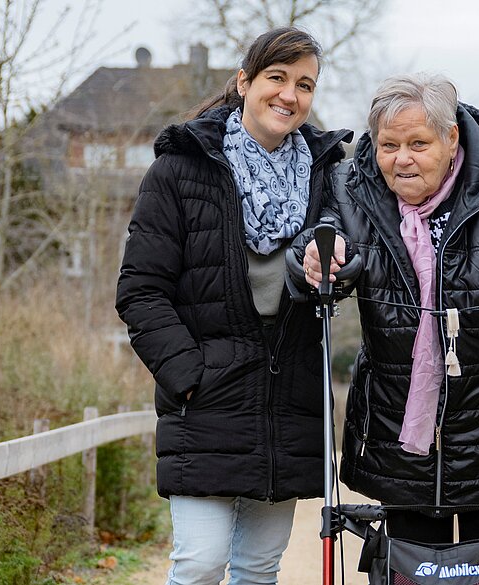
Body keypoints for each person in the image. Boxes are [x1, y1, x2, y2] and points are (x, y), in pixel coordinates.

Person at [296, 73, 479, 556]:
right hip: (398, 425)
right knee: (410, 567)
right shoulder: (353, 189)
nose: (402, 159)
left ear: (451, 138)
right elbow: (326, 241)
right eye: (389, 145)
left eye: (418, 144)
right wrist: (318, 256)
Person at [116, 27, 351, 585]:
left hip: (288, 405)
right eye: (277, 77)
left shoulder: (329, 178)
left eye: (305, 85)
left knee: (258, 570)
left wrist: (339, 268)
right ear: (244, 82)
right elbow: (140, 291)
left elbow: (348, 272)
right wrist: (190, 378)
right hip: (206, 402)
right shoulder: (181, 169)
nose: (289, 95)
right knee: (199, 563)